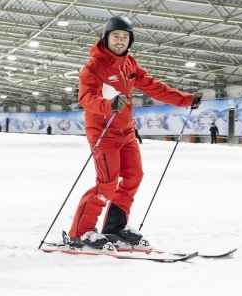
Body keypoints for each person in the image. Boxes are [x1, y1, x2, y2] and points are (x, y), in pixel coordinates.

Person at [69, 15, 202, 249]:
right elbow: (86, 98)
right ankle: (81, 232)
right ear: (106, 37)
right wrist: (107, 105)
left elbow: (152, 86)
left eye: (125, 37)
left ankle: (115, 227)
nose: (120, 41)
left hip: (127, 132)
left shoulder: (130, 64)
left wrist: (185, 100)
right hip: (103, 132)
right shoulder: (94, 66)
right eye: (116, 36)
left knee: (134, 177)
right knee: (106, 183)